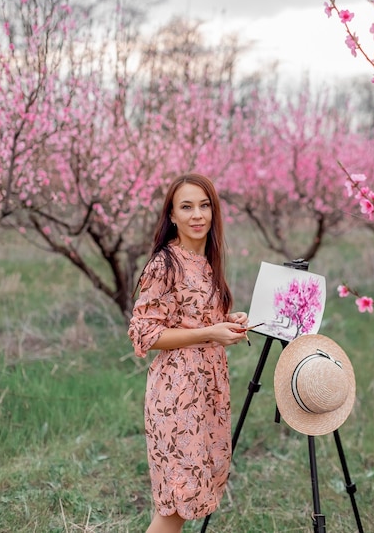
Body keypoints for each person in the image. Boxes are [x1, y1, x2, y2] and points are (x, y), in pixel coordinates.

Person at [129, 173, 249, 533]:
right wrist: (210, 332)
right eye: (186, 207)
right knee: (175, 505)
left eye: (204, 205)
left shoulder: (205, 261)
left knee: (187, 500)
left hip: (207, 394)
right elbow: (144, 332)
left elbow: (193, 319)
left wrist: (227, 321)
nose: (197, 214)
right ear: (172, 216)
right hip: (177, 395)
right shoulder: (165, 264)